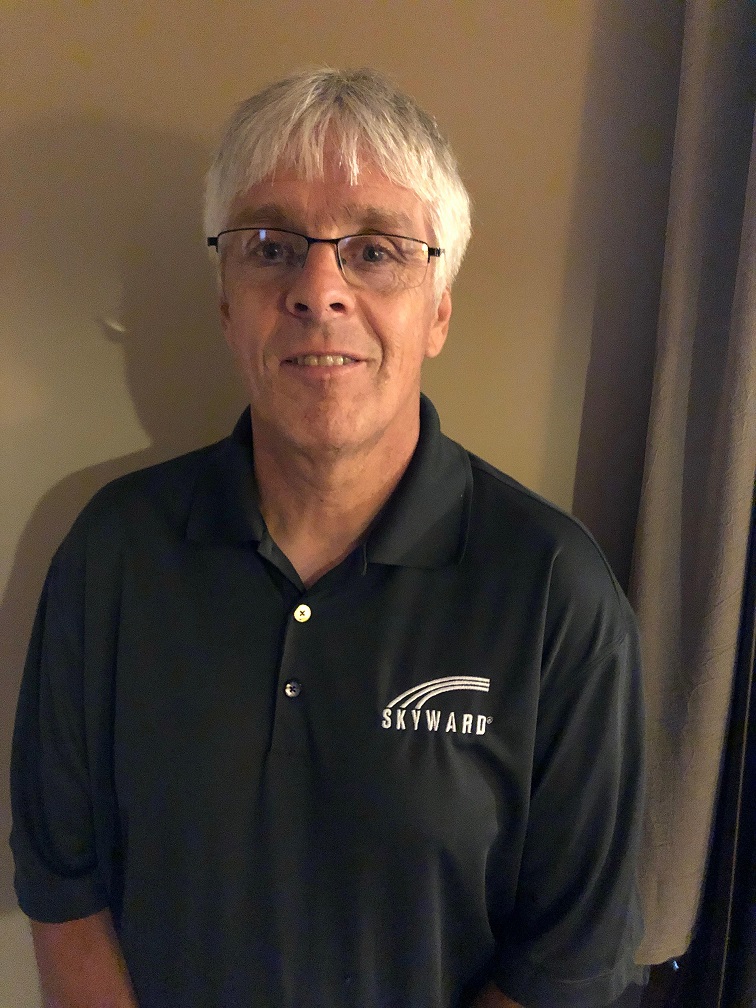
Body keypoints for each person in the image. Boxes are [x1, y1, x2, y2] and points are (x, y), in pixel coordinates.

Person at [10, 68, 646, 1008]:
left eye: (377, 251)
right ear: (225, 300)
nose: (319, 290)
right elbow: (63, 885)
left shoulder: (556, 591)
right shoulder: (113, 552)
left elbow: (567, 963)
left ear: (438, 309)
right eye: (271, 248)